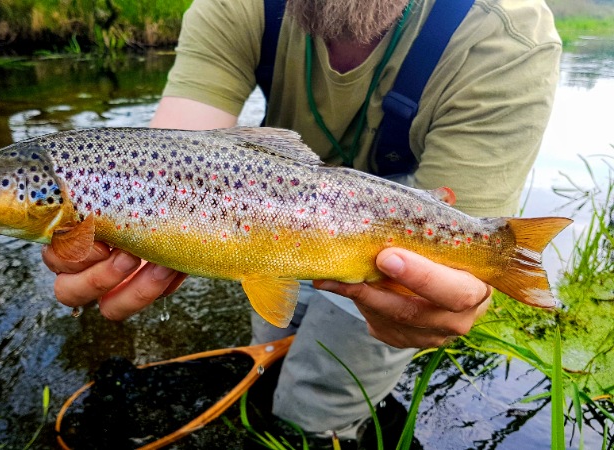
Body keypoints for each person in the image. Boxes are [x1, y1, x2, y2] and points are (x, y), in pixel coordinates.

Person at [41, 0, 561, 444]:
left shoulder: (507, 37)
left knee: (315, 407)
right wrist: (136, 218)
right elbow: (171, 151)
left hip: (392, 233)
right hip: (270, 214)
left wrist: (464, 285)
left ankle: (313, 430)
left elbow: (457, 238)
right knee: (275, 325)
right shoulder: (236, 7)